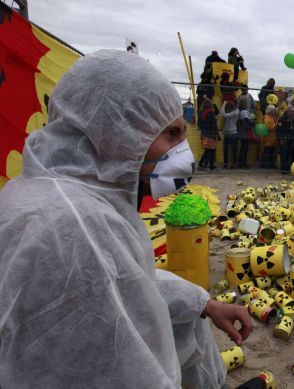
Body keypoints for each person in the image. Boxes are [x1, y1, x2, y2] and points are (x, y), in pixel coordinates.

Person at [0, 50, 252, 388]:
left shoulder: (68, 197)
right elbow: (126, 372)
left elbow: (130, 283)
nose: (184, 155)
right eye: (172, 135)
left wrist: (203, 302)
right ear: (117, 132)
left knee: (185, 320)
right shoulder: (74, 226)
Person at [276, 106, 294, 174]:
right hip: (284, 139)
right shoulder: (282, 119)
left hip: (293, 140)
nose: (293, 113)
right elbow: (279, 130)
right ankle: (284, 169)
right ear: (288, 111)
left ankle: (291, 168)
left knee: (291, 154)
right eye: (291, 111)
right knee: (284, 154)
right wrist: (280, 139)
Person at [198, 99, 220, 171]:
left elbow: (199, 124)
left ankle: (201, 164)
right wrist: (218, 134)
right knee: (212, 150)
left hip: (204, 134)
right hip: (211, 134)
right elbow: (214, 125)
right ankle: (210, 165)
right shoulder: (211, 113)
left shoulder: (201, 113)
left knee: (207, 150)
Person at [221, 100, 239, 168]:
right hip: (228, 132)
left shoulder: (234, 113)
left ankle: (234, 164)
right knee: (225, 149)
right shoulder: (235, 111)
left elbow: (223, 114)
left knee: (233, 149)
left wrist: (224, 104)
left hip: (232, 133)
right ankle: (226, 163)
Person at [236, 97, 252, 169]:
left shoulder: (240, 112)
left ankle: (242, 163)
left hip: (241, 132)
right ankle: (242, 164)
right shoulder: (244, 113)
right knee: (244, 148)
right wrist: (252, 123)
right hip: (244, 133)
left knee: (243, 148)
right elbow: (246, 123)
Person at [260, 105, 278, 169]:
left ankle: (270, 165)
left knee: (271, 152)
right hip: (268, 138)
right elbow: (268, 127)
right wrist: (277, 125)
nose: (275, 111)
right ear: (270, 111)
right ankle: (264, 165)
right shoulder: (266, 117)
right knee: (267, 151)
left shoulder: (272, 117)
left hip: (272, 138)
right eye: (273, 110)